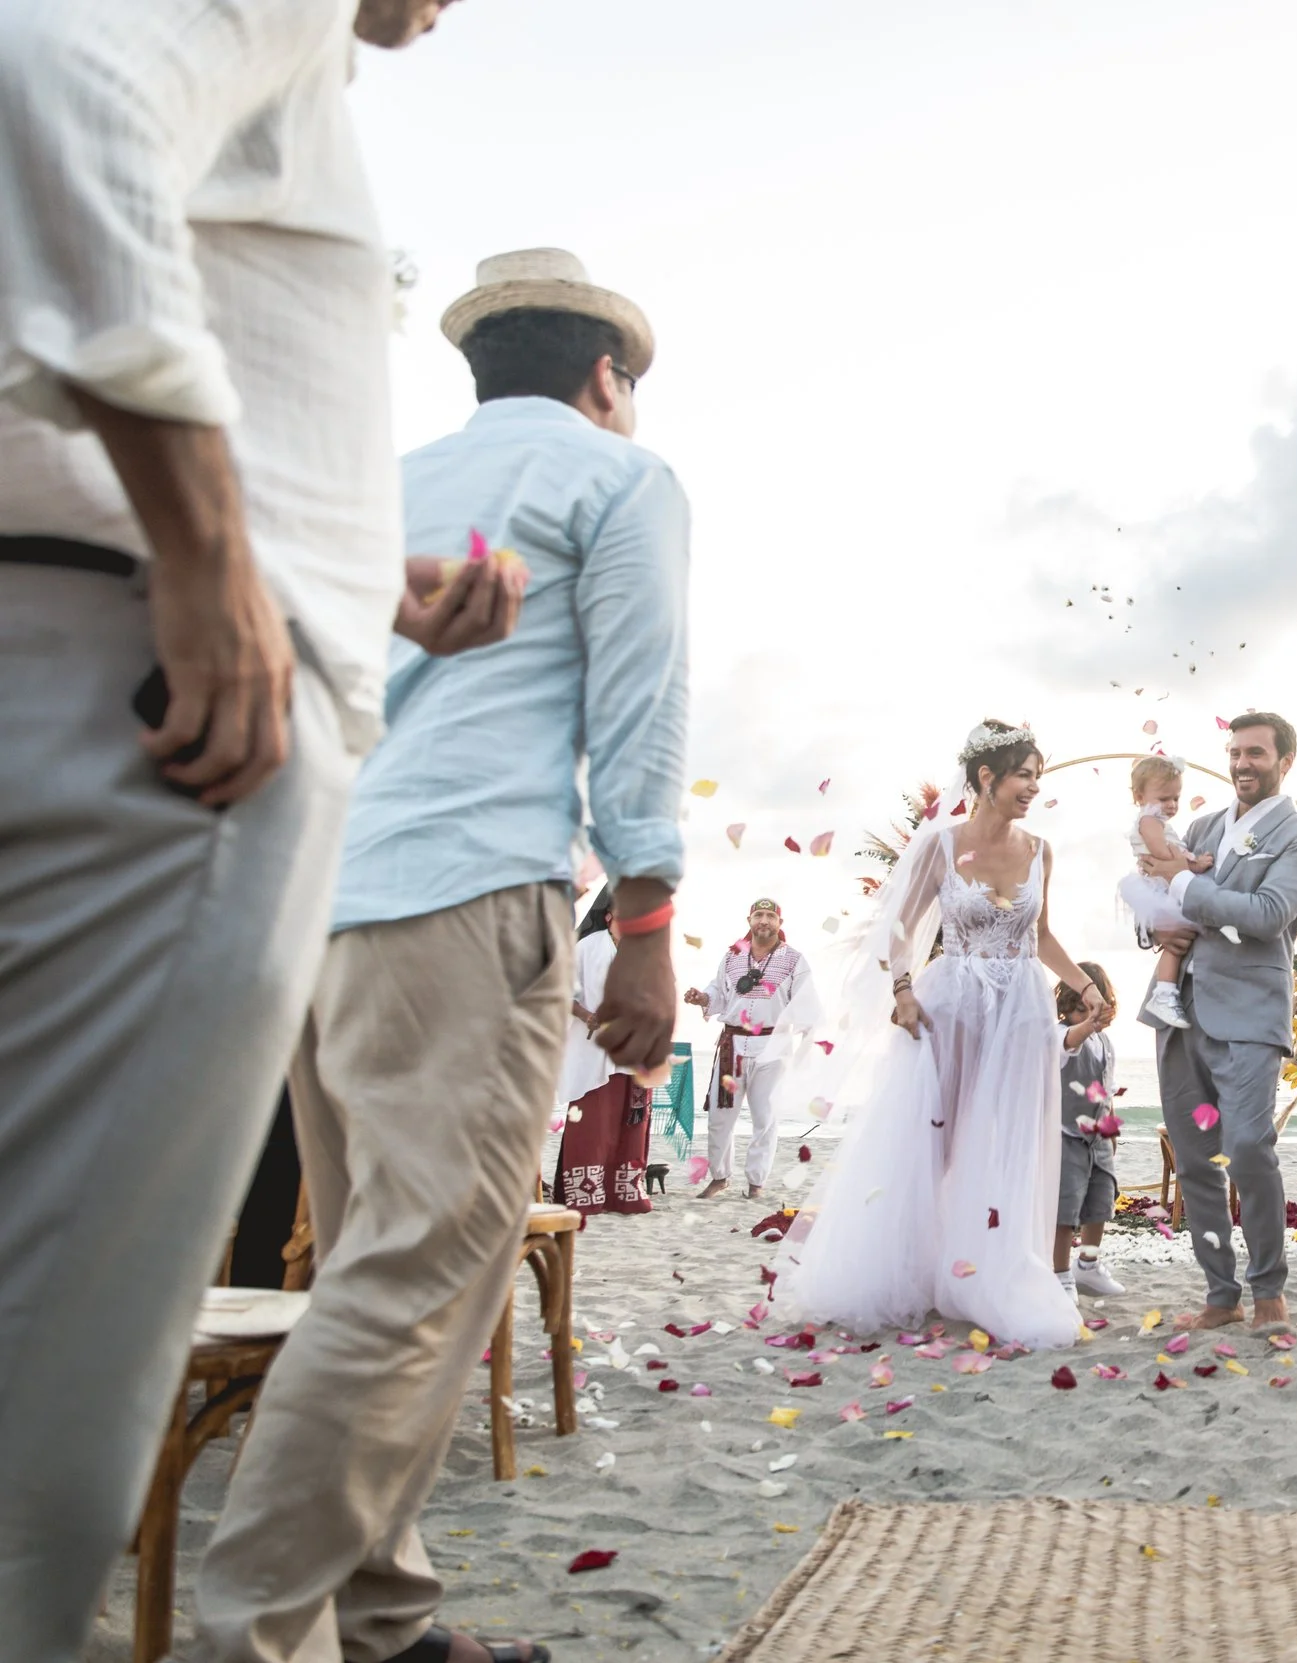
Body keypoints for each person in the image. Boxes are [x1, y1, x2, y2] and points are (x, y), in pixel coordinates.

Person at [0, 3, 517, 1650]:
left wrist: (368, 577)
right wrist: (217, 551)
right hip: (165, 719)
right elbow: (59, 87)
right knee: (48, 1441)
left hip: (88, 630)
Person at [192, 247, 689, 1663]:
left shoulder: (383, 483)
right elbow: (644, 706)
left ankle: (385, 1614)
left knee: (364, 1256)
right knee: (429, 1269)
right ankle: (256, 1633)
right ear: (608, 377)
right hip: (466, 892)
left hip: (319, 892)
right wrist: (646, 931)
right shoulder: (622, 480)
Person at [768, 721, 1101, 1349]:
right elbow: (898, 926)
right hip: (950, 1006)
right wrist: (902, 991)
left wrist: (1083, 986)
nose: (1032, 787)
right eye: (1022, 775)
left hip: (1021, 1009)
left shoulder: (1040, 850)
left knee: (1007, 1142)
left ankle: (993, 1272)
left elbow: (1042, 935)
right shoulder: (940, 846)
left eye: (1037, 776)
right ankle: (914, 1270)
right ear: (985, 778)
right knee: (936, 1141)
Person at [1135, 712, 1297, 1332]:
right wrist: (1153, 920)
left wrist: (1186, 887)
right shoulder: (1200, 825)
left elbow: (1269, 914)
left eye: (1255, 753)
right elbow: (1163, 900)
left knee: (1247, 1146)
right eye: (1235, 752)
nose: (1242, 763)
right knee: (1194, 1161)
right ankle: (1221, 1296)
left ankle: (1268, 1286)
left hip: (1248, 1012)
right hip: (1181, 1010)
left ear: (1284, 761)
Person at [687, 897, 811, 1198]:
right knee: (720, 1115)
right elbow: (718, 990)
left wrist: (806, 1041)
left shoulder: (794, 959)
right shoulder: (732, 956)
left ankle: (756, 1182)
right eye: (759, 915)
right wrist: (703, 998)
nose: (764, 921)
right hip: (734, 1044)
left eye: (770, 916)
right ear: (750, 921)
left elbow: (806, 1002)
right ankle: (719, 1177)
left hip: (774, 1045)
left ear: (780, 923)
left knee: (765, 1117)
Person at [554, 898, 653, 1219]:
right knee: (593, 1118)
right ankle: (586, 1195)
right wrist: (586, 1015)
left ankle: (626, 1193)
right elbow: (562, 992)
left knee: (630, 1119)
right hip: (593, 1046)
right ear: (609, 915)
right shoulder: (586, 947)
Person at [1115, 754, 1213, 1030]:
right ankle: (1165, 992)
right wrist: (1193, 863)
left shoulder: (1158, 822)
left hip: (1164, 885)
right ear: (1139, 796)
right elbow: (1162, 855)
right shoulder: (1149, 821)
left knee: (1178, 939)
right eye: (1163, 798)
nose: (1171, 805)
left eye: (1176, 798)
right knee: (1176, 939)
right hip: (1159, 888)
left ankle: (1166, 991)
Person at [1054, 963, 1125, 1296]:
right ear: (1065, 1005)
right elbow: (1069, 1044)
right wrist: (1087, 1023)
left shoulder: (1105, 1042)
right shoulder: (1060, 1036)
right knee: (1065, 1208)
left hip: (1097, 1135)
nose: (1087, 1017)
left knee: (1100, 1200)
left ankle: (1088, 1265)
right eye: (1079, 1009)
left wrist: (1110, 1125)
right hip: (1065, 1133)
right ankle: (1060, 1274)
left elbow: (1106, 1089)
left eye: (1094, 1009)